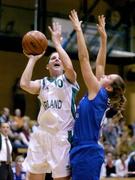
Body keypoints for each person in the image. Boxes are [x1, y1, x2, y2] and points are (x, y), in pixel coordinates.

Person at [69, 10, 126, 180]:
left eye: (108, 77)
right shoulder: (100, 93)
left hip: (87, 152)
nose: (104, 75)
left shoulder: (97, 92)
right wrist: (104, 39)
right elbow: (100, 64)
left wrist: (79, 31)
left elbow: (84, 59)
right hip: (84, 150)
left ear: (109, 88)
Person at [20, 22, 79, 180]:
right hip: (42, 135)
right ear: (47, 66)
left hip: (62, 137)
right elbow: (24, 84)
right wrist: (32, 59)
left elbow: (70, 67)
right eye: (53, 58)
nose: (56, 59)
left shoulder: (69, 80)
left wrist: (58, 45)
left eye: (59, 58)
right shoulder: (43, 83)